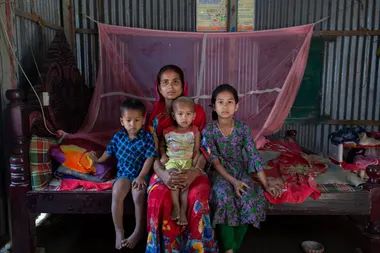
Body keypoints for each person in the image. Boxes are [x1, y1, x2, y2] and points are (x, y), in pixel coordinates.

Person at [146, 65, 218, 252]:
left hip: (193, 166)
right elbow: (152, 152)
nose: (171, 87)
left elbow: (204, 147)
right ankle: (164, 248)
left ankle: (197, 248)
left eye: (175, 81)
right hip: (165, 168)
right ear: (159, 88)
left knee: (197, 193)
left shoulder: (197, 111)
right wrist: (163, 174)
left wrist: (194, 172)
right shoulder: (155, 116)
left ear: (183, 85)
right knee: (158, 195)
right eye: (165, 82)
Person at [202, 84, 281, 253]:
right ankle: (229, 248)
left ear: (236, 106)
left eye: (230, 102)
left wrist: (266, 184)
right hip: (219, 173)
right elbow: (215, 162)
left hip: (240, 169)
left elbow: (253, 156)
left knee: (248, 197)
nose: (225, 106)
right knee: (224, 196)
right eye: (220, 102)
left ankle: (233, 248)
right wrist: (233, 182)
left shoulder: (243, 128)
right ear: (214, 107)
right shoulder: (208, 130)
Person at [89, 98, 157, 250]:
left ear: (143, 119)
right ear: (122, 121)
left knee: (139, 194)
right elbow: (108, 152)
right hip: (124, 174)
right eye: (128, 120)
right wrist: (98, 161)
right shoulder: (118, 137)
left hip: (141, 174)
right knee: (117, 191)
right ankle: (119, 231)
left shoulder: (147, 138)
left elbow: (150, 158)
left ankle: (138, 231)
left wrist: (141, 176)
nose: (132, 124)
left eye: (137, 120)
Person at [160, 96, 201, 226]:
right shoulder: (167, 131)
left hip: (187, 162)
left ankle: (183, 210)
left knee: (184, 185)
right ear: (174, 115)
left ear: (194, 116)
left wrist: (195, 160)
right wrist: (163, 155)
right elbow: (162, 145)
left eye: (188, 114)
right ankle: (176, 206)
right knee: (174, 179)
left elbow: (197, 148)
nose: (184, 118)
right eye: (180, 114)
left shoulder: (195, 131)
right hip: (172, 161)